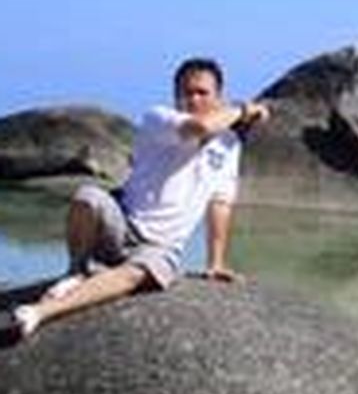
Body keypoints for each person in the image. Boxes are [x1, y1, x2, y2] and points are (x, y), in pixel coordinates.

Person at [0, 57, 269, 345]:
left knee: (136, 275)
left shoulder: (229, 146)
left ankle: (40, 312)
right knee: (87, 197)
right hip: (122, 224)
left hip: (160, 246)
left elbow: (220, 202)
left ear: (218, 97)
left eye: (202, 93)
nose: (193, 99)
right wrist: (243, 109)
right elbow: (199, 128)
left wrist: (215, 262)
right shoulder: (159, 119)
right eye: (186, 92)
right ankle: (76, 271)